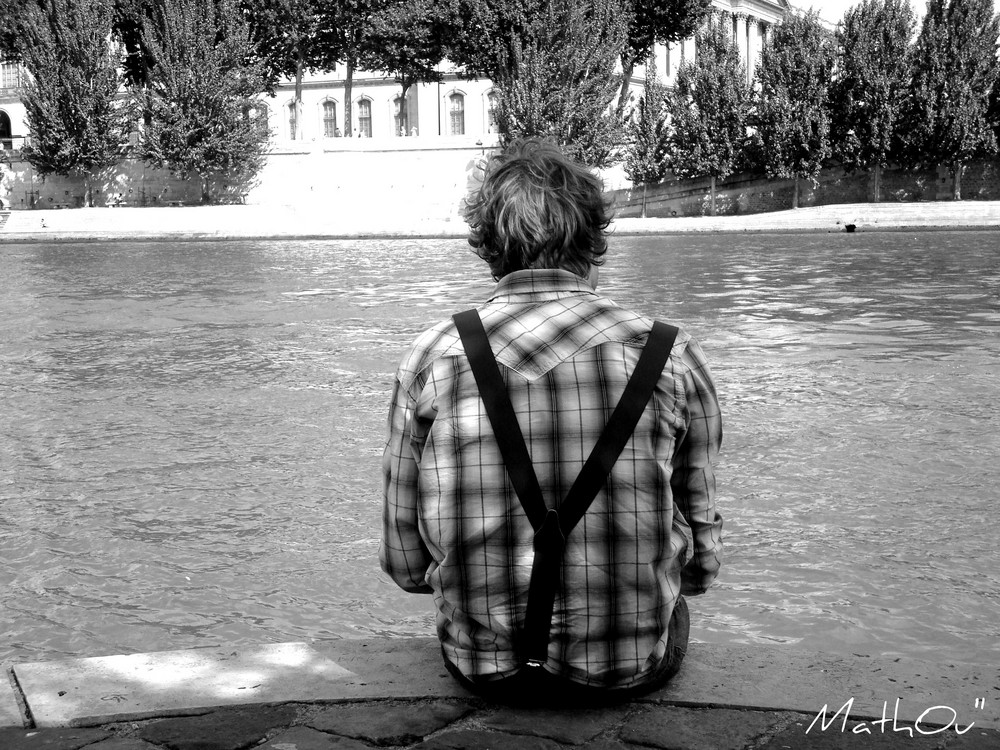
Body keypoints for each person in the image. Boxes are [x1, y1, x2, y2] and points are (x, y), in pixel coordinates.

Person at [380, 137, 722, 704]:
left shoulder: (433, 353)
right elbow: (700, 558)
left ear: (487, 247)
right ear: (594, 241)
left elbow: (406, 563)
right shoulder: (668, 352)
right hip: (625, 667)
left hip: (484, 670)